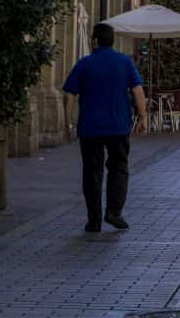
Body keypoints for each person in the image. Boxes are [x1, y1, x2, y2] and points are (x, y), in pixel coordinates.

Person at [63, 22, 147, 234]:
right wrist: (143, 117)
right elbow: (138, 91)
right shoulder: (124, 62)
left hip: (90, 128)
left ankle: (94, 220)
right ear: (113, 41)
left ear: (94, 41)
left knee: (92, 173)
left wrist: (68, 123)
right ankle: (114, 212)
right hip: (118, 126)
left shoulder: (84, 63)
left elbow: (69, 95)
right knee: (119, 168)